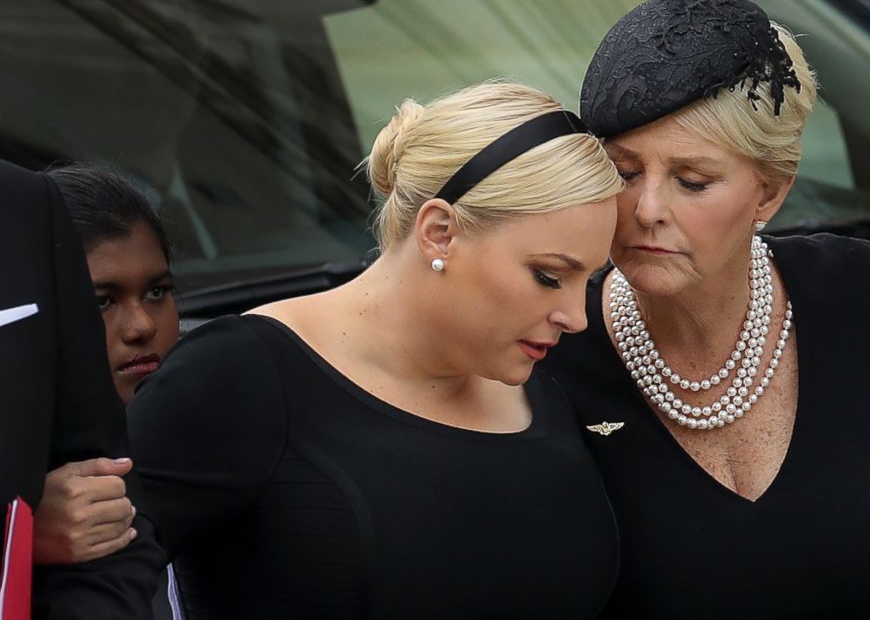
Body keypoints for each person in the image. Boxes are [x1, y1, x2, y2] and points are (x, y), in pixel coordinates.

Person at [542, 0, 870, 619]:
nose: (646, 211)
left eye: (693, 181)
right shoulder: (547, 347)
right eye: (622, 173)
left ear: (770, 194)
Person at [127, 82, 624, 618]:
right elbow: (80, 576)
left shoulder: (548, 374)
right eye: (549, 276)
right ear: (439, 232)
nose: (575, 317)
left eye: (590, 280)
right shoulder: (238, 375)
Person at [0, 158, 161, 619]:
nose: (141, 326)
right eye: (102, 301)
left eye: (158, 291)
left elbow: (104, 493)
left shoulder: (22, 203)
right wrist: (17, 530)